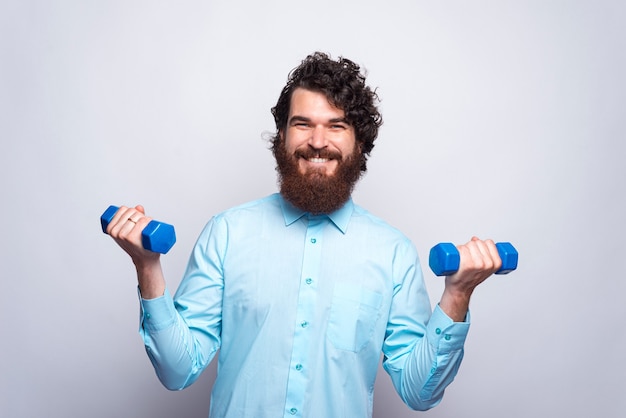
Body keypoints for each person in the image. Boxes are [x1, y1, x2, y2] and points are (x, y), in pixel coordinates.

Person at [105, 52, 503, 418]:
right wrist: (148, 266)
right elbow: (177, 371)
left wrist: (457, 295)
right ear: (282, 136)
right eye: (302, 124)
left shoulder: (392, 252)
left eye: (336, 126)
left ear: (358, 142)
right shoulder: (227, 233)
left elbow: (419, 392)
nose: (317, 141)